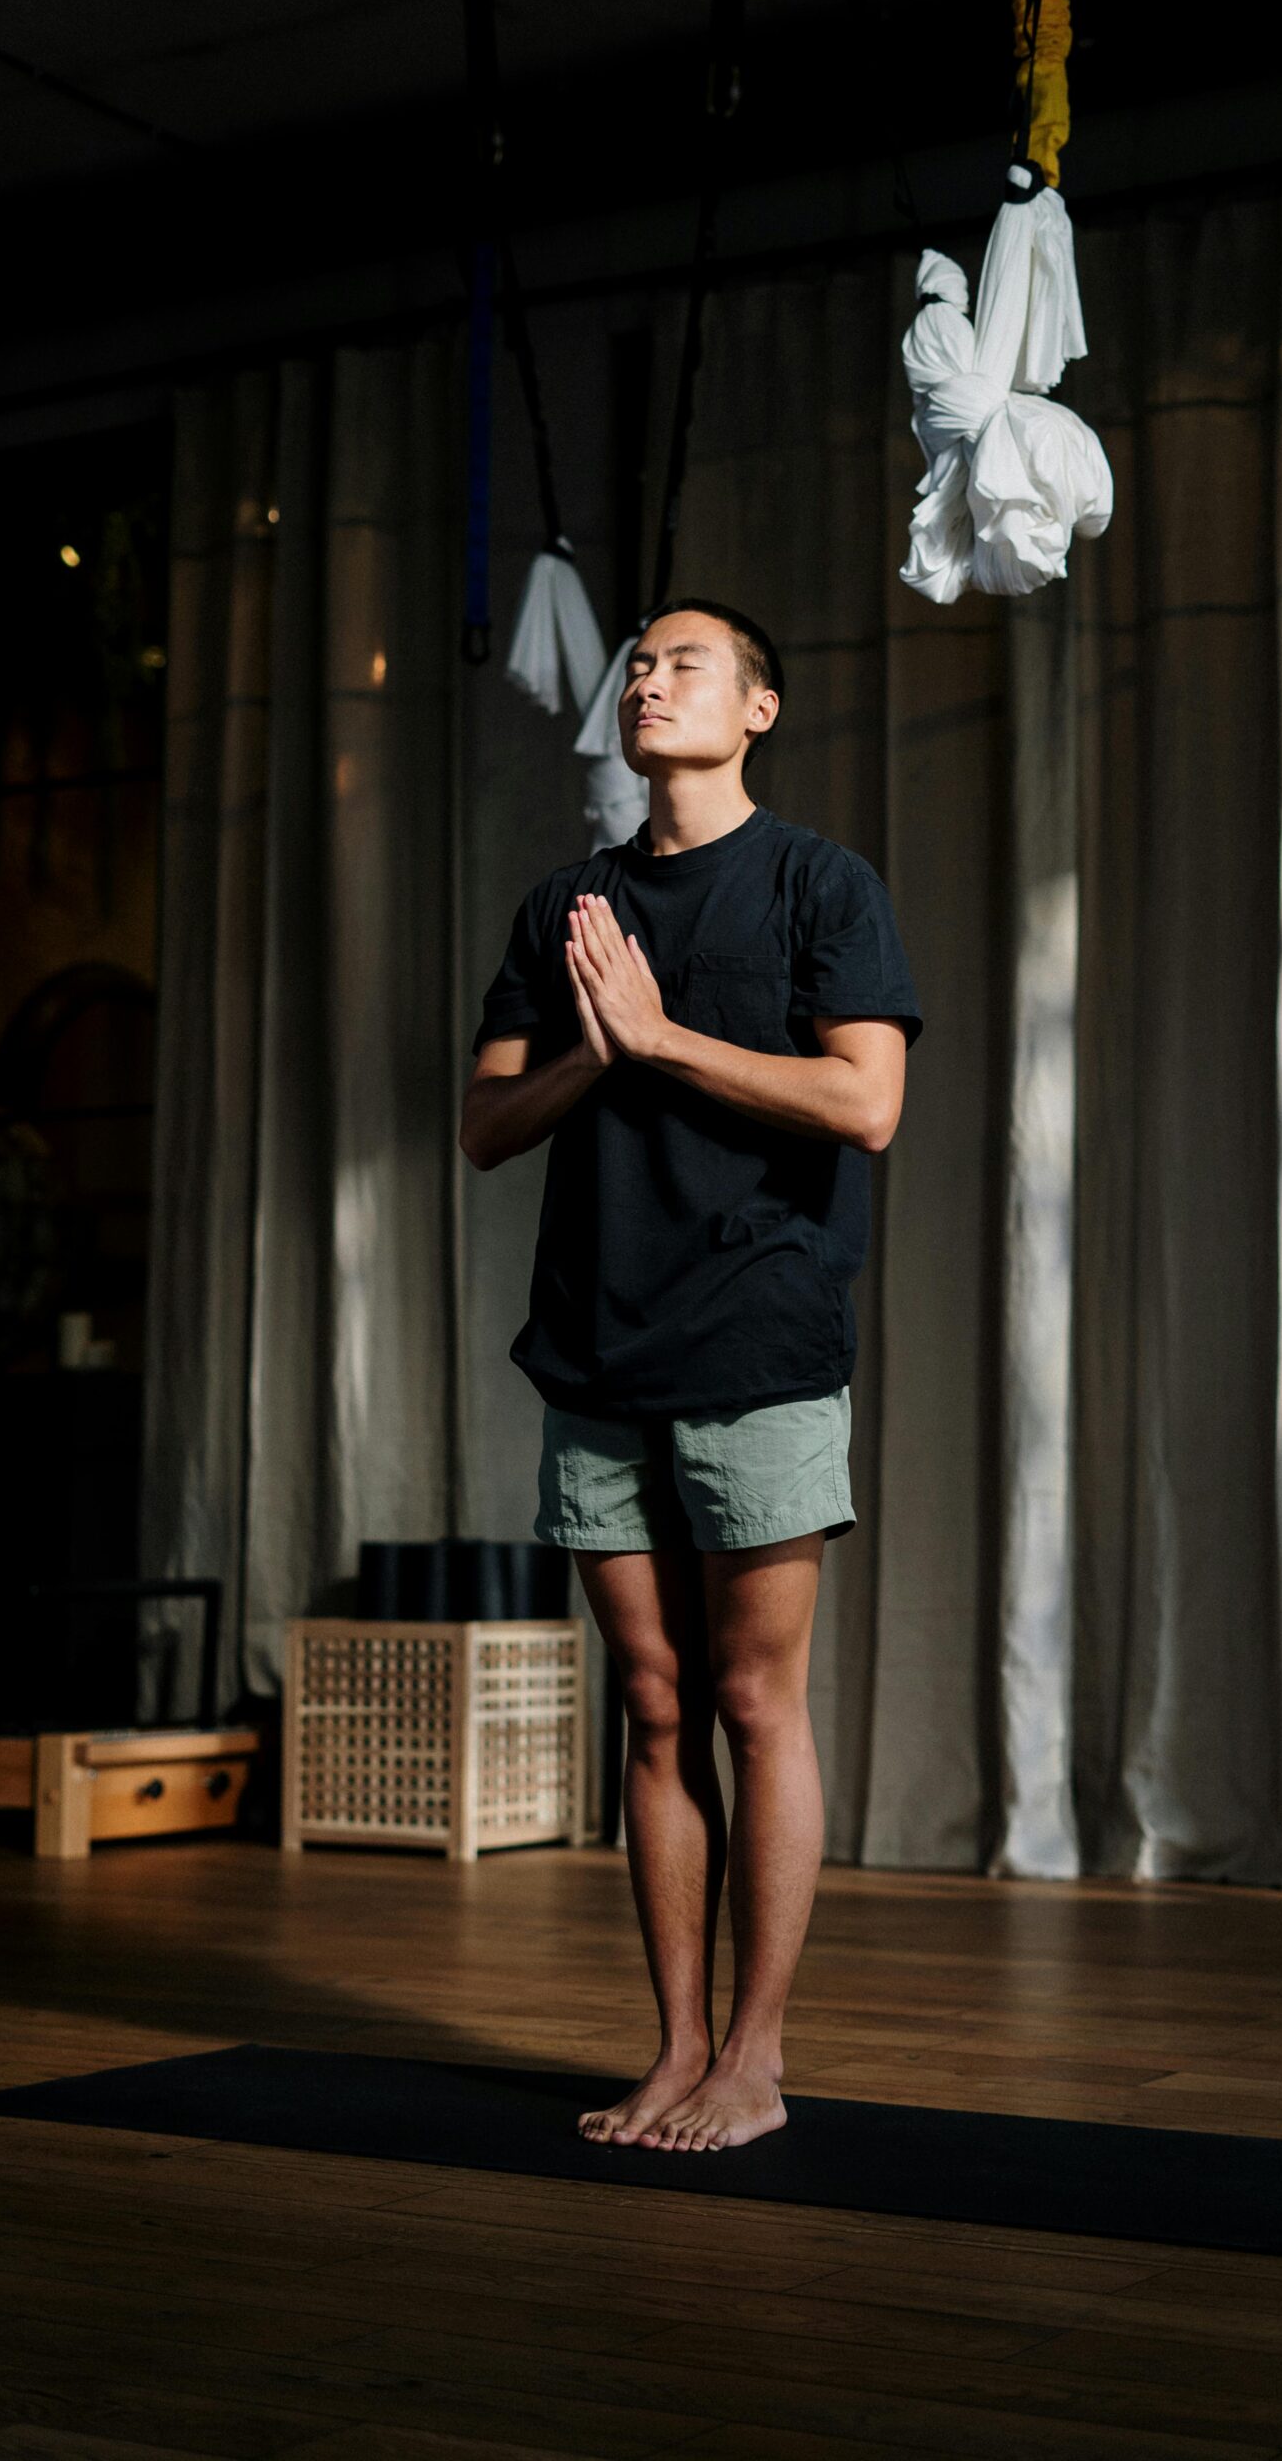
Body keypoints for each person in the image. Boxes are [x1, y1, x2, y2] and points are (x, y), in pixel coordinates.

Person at [461, 598, 923, 2152]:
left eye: (686, 662)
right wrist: (602, 1049)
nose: (650, 679)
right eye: (639, 663)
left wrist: (659, 1043)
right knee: (652, 1706)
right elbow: (485, 1126)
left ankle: (757, 2057)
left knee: (748, 1696)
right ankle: (673, 2053)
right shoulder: (569, 906)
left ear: (760, 710)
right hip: (595, 1341)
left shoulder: (818, 883)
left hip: (759, 1334)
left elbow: (866, 1105)